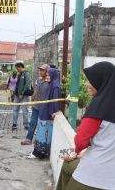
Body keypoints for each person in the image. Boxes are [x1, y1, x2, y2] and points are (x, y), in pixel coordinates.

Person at [56, 61, 115, 190]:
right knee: (68, 166)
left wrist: (76, 152)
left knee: (68, 163)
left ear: (102, 82)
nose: (88, 84)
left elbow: (81, 141)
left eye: (91, 81)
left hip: (94, 176)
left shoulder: (98, 107)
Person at [28, 68, 61, 159]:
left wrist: (56, 111)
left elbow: (55, 101)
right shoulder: (51, 84)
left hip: (47, 114)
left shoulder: (55, 86)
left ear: (53, 75)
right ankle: (40, 152)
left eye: (49, 75)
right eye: (47, 75)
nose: (47, 77)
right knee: (42, 133)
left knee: (43, 134)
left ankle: (39, 153)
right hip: (44, 113)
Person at [21, 64, 50, 145]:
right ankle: (28, 139)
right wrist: (32, 101)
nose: (40, 71)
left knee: (42, 125)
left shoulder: (49, 82)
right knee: (32, 123)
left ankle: (40, 140)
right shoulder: (39, 80)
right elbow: (35, 92)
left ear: (47, 71)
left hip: (44, 108)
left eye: (42, 70)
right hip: (36, 106)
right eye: (40, 70)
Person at [12, 62, 32, 130]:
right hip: (16, 95)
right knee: (15, 109)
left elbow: (27, 84)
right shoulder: (19, 74)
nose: (17, 70)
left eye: (17, 68)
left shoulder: (27, 74)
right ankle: (14, 124)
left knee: (25, 110)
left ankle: (26, 125)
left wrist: (22, 93)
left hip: (24, 96)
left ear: (20, 67)